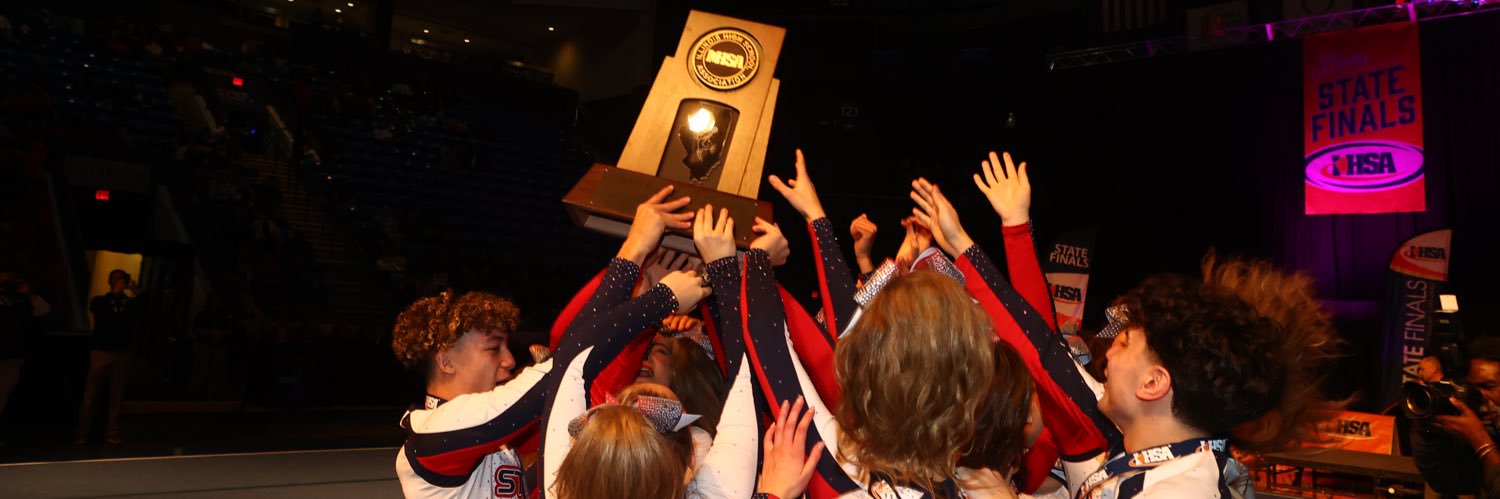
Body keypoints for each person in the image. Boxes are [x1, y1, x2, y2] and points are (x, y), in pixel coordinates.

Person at [393, 186, 706, 498]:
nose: (509, 361)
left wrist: (638, 270)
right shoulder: (432, 434)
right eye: (493, 348)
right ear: (445, 361)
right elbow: (569, 364)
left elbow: (583, 380)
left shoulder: (491, 436)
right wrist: (656, 294)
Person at [1416, 337, 1500, 497]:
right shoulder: (1491, 431)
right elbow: (1445, 480)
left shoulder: (1482, 436)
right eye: (1472, 388)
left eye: (1488, 386)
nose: (1480, 396)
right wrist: (1427, 429)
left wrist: (1481, 440)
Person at [77, 269, 142, 445]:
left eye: (123, 279)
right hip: (101, 351)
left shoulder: (129, 303)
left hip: (122, 352)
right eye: (117, 278)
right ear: (110, 280)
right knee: (91, 393)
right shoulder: (100, 301)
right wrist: (115, 292)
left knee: (117, 394)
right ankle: (82, 431)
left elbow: (144, 307)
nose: (121, 281)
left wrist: (134, 290)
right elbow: (98, 311)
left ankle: (112, 431)